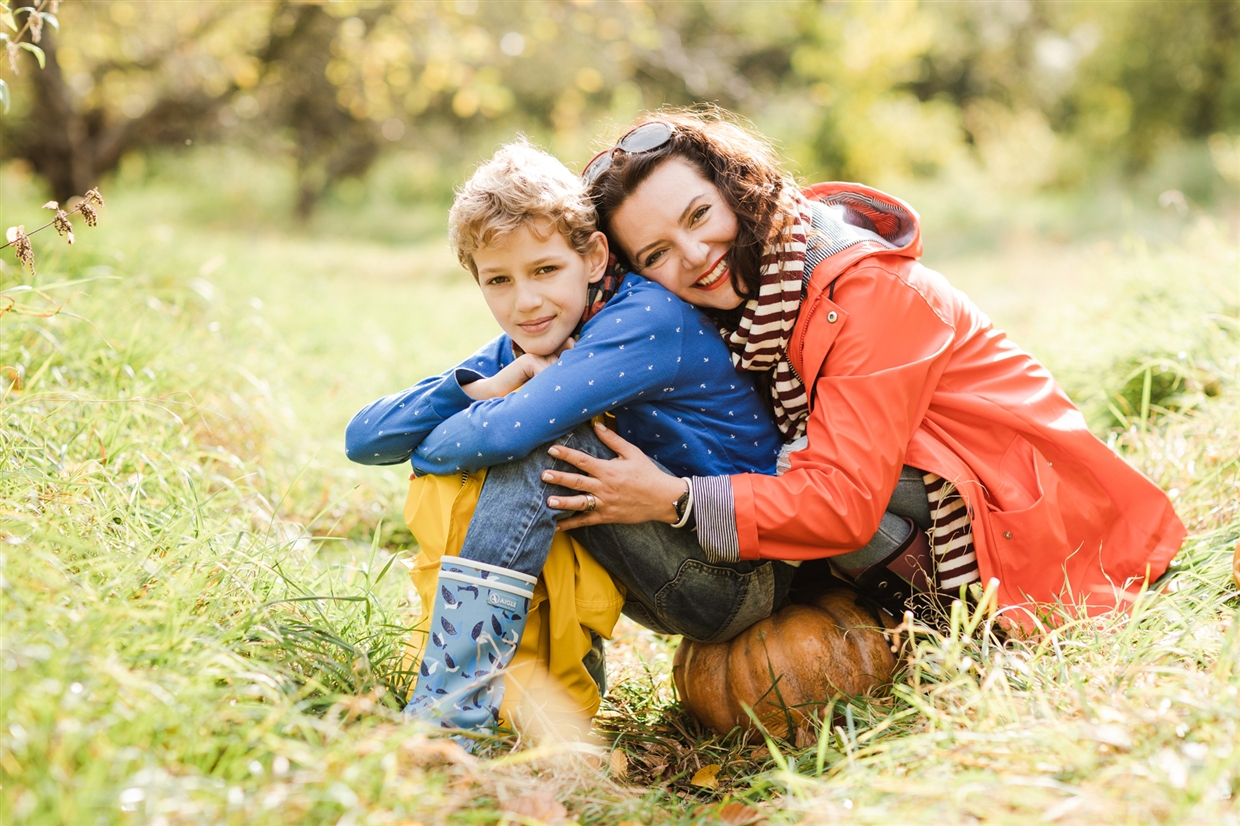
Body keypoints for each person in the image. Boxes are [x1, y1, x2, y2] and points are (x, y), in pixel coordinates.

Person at [530, 108, 1185, 632]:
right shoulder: (746, 305)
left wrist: (673, 501)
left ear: (736, 186)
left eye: (700, 215)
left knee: (788, 471)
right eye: (657, 253)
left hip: (1035, 523)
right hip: (924, 479)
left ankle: (939, 616)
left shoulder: (864, 293)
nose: (696, 255)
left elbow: (841, 505)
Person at [343, 140, 792, 735]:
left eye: (545, 269)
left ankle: (451, 717)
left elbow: (500, 436)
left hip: (736, 575)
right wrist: (487, 383)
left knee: (550, 444)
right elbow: (364, 438)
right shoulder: (541, 332)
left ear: (596, 256)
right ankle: (550, 698)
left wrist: (451, 434)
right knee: (546, 446)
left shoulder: (646, 318)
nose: (524, 300)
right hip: (663, 559)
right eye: (497, 280)